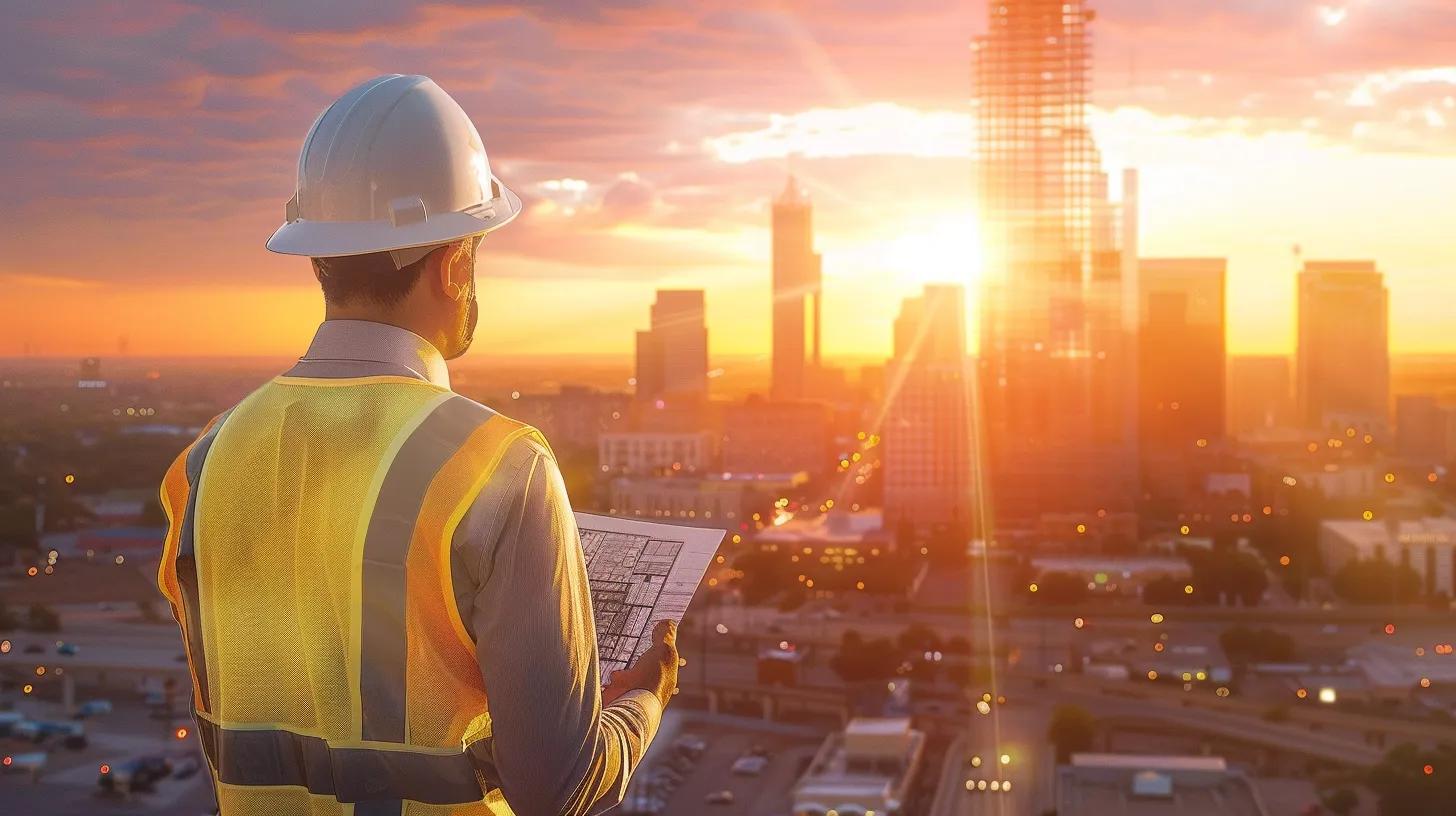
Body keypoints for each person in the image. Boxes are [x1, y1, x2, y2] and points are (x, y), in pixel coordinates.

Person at [155, 74, 677, 816]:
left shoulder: (204, 465)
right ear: (454, 265)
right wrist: (645, 704)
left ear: (320, 256)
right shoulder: (501, 467)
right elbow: (558, 790)